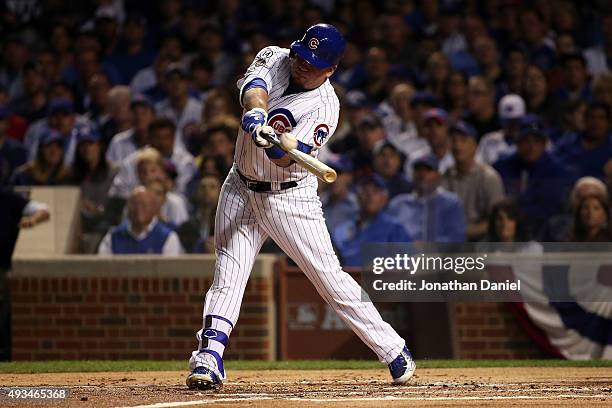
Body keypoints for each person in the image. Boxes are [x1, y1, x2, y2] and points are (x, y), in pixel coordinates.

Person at [186, 24, 416, 391]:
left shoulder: (327, 107)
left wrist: (274, 145)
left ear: (331, 70)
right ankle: (209, 355)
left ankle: (393, 348)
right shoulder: (277, 57)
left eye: (312, 64)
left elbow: (285, 161)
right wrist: (257, 115)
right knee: (229, 270)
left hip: (289, 196)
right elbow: (253, 89)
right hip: (240, 185)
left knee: (329, 278)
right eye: (302, 57)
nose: (301, 65)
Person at [494, 118, 570, 237]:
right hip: (509, 230)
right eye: (526, 141)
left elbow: (552, 209)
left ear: (544, 144)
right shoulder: (501, 168)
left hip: (545, 233)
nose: (531, 147)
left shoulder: (557, 171)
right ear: (517, 143)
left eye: (536, 141)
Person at [443, 120, 505, 241]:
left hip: (483, 241)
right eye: (454, 140)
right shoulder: (445, 177)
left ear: (474, 145)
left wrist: (465, 231)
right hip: (450, 241)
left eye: (463, 140)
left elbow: (499, 219)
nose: (457, 146)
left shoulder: (489, 178)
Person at [331, 176, 412, 267]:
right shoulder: (342, 229)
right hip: (343, 277)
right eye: (365, 191)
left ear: (384, 199)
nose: (370, 195)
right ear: (358, 197)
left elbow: (406, 261)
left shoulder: (395, 228)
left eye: (375, 191)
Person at [388, 155, 466, 242]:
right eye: (418, 170)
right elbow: (388, 236)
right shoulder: (398, 204)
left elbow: (457, 237)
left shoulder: (450, 203)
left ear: (438, 176)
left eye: (428, 170)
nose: (422, 174)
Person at [97, 186, 183, 255]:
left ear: (154, 209)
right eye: (134, 204)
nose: (138, 209)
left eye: (144, 204)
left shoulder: (168, 237)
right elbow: (103, 269)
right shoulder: (112, 237)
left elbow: (170, 273)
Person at [105, 94, 156, 165]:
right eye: (135, 112)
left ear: (153, 115)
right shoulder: (118, 141)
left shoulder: (160, 141)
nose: (139, 117)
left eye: (143, 113)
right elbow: (111, 171)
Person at [476, 94, 526, 165]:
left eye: (515, 121)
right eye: (507, 122)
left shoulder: (532, 143)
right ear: (501, 121)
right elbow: (478, 165)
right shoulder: (488, 140)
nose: (512, 126)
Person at [177, 174, 220, 253]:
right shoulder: (188, 226)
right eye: (203, 187)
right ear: (197, 192)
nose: (206, 190)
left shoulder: (227, 224)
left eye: (212, 187)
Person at [0, 106, 27, 184]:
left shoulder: (17, 149)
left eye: (0, 120)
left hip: (11, 192)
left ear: (7, 124)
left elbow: (20, 179)